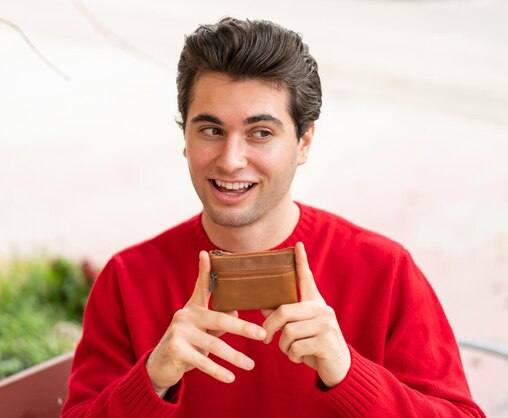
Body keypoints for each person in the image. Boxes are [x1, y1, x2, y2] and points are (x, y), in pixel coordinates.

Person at [61, 17, 484, 417]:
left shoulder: (383, 269)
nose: (230, 160)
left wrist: (349, 372)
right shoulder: (127, 278)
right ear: (185, 138)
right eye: (210, 130)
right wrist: (151, 379)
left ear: (303, 143)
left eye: (260, 133)